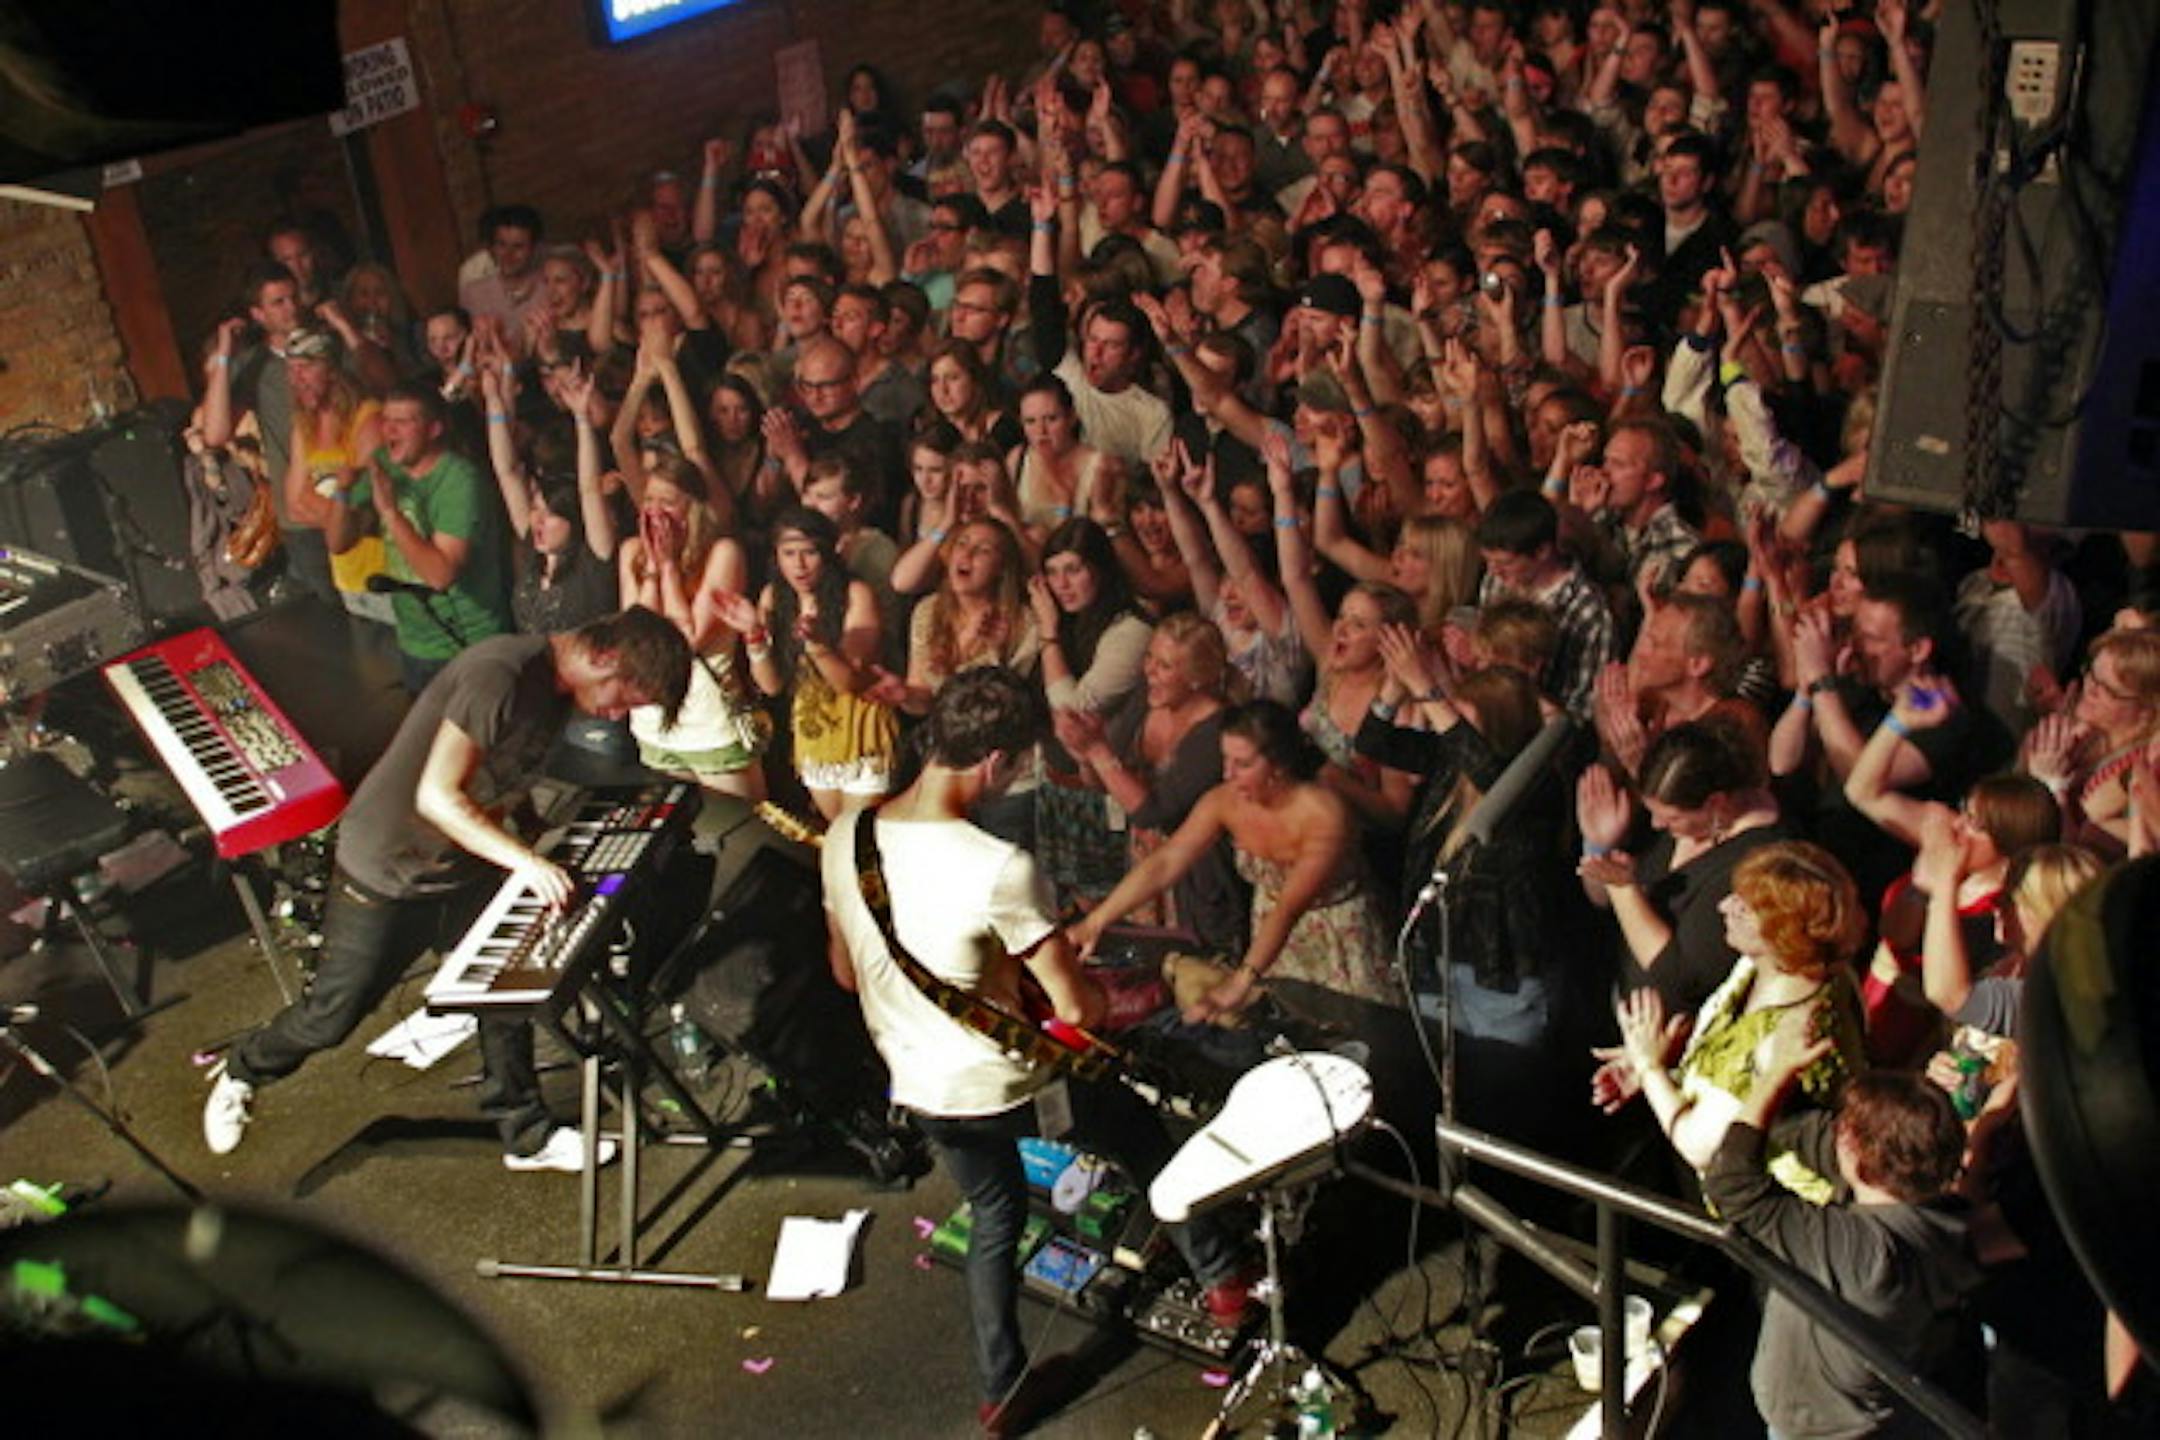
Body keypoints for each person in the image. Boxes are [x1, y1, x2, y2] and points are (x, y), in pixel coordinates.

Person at [821, 667, 1250, 1438]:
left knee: (993, 1211)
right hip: (1009, 1084)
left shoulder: (846, 838)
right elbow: (1079, 1007)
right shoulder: (996, 867)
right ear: (994, 761)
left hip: (917, 1088)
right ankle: (1223, 1282)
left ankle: (1002, 1387)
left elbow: (847, 974)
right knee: (1144, 1145)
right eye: (1016, 763)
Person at [202, 609, 693, 1168]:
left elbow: (505, 773)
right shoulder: (500, 674)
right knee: (332, 1015)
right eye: (624, 698)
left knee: (505, 986)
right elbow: (437, 796)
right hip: (387, 866)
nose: (619, 715)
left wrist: (529, 832)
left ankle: (524, 1133)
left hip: (461, 863)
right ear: (602, 657)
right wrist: (527, 863)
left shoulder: (561, 695)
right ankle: (244, 1067)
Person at [1072, 699, 1395, 1013]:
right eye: (1225, 760)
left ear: (1279, 766)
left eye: (1242, 764)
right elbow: (1166, 863)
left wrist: (1242, 980)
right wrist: (1096, 921)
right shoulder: (1224, 800)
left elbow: (1289, 907)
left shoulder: (1324, 814)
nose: (1227, 774)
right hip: (1270, 940)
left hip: (1339, 939)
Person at [1602, 840, 1868, 1203]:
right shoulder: (1761, 967)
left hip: (1765, 1216)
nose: (1724, 907)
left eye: (1743, 907)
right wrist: (1662, 1066)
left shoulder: (1790, 1033)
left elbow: (1701, 1145)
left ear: (1781, 933)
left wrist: (1650, 1068)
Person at [325, 383, 513, 692]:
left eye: (403, 422)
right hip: (415, 643)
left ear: (434, 428)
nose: (390, 431)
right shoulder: (384, 463)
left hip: (467, 644)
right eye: (386, 420)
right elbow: (338, 543)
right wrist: (342, 493)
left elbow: (440, 575)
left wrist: (389, 513)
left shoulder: (460, 481)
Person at [731, 507, 899, 819]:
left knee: (859, 840)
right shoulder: (774, 597)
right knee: (834, 836)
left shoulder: (856, 594)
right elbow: (771, 685)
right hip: (815, 734)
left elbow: (847, 682)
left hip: (859, 731)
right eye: (789, 553)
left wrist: (818, 645)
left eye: (809, 552)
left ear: (829, 552)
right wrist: (753, 636)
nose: (799, 565)